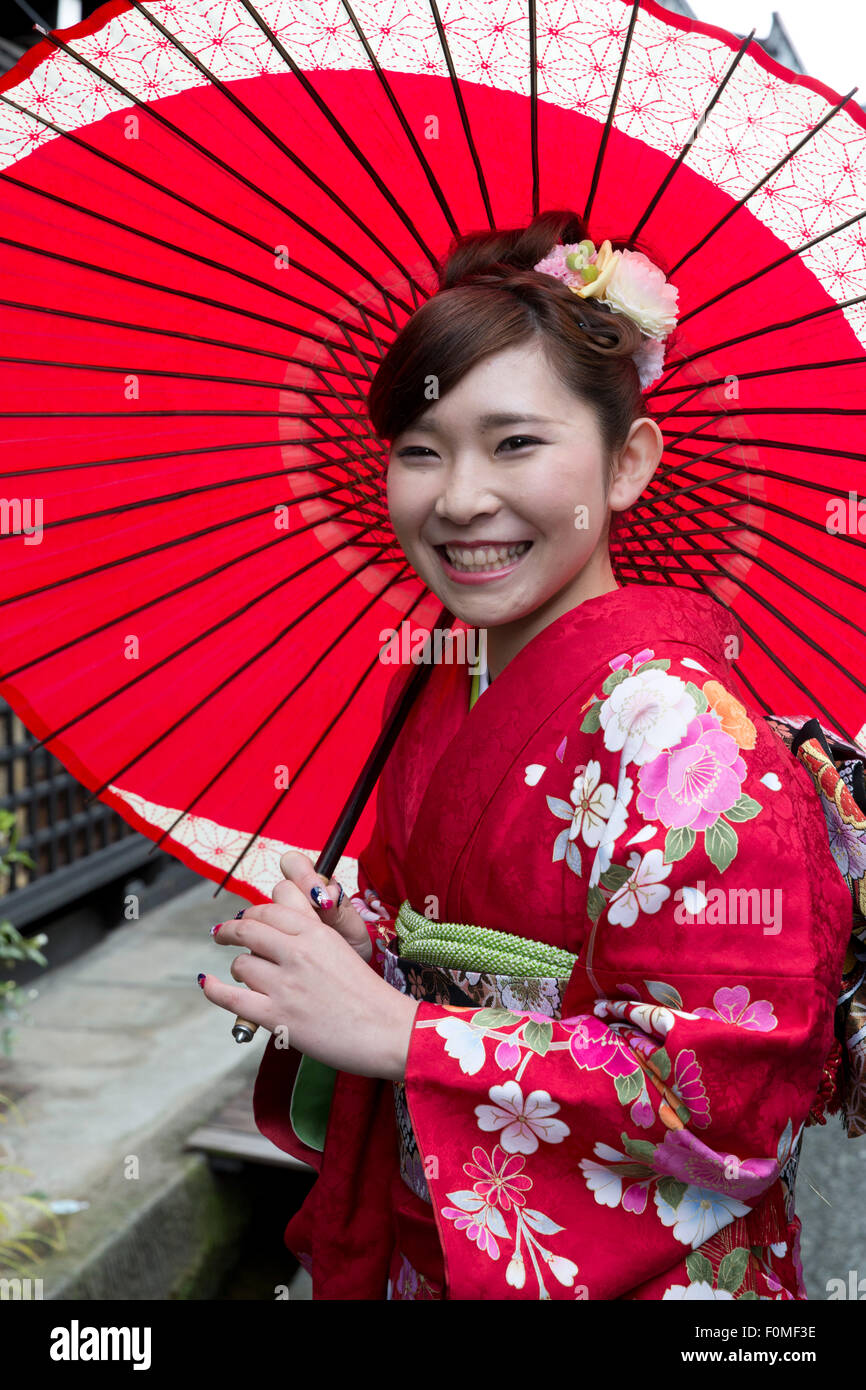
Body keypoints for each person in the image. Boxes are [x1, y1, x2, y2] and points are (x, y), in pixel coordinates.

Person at [204, 210, 854, 1299]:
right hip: (443, 1242)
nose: (459, 499)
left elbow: (730, 1104)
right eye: (419, 451)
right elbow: (454, 933)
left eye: (514, 443)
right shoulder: (438, 676)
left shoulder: (690, 735)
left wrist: (402, 1029)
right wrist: (354, 948)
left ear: (627, 460)